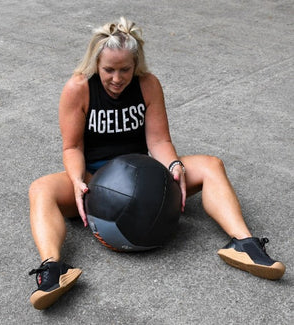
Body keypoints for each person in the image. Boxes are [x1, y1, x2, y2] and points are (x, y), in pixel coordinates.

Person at [28, 17, 286, 310]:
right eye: (108, 70)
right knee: (41, 189)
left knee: (211, 164)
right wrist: (77, 181)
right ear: (95, 63)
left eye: (124, 69)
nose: (116, 78)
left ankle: (245, 244)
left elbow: (159, 141)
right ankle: (52, 268)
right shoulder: (79, 88)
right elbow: (72, 146)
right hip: (93, 178)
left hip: (143, 178)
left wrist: (174, 166)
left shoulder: (148, 85)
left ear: (135, 63)